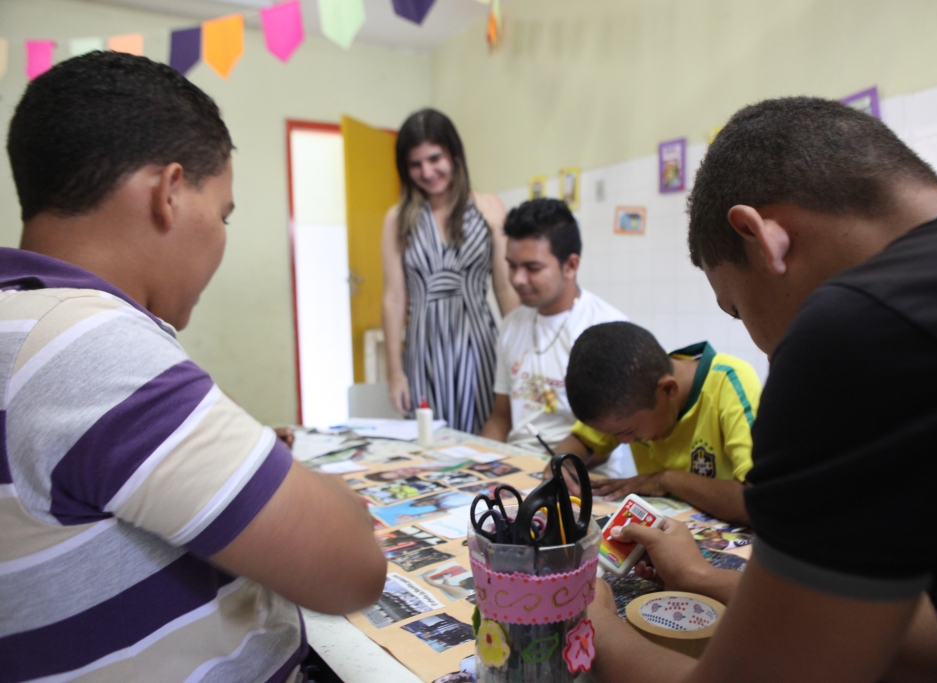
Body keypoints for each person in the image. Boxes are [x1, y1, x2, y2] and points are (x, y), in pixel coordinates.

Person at [592, 97, 937, 683]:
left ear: (760, 236)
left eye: (736, 309)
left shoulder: (855, 333)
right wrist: (704, 578)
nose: (765, 350)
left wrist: (598, 631)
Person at [0, 52, 386, 682]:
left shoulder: (23, 322)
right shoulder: (84, 344)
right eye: (225, 212)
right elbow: (354, 568)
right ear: (170, 192)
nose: (223, 234)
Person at [382, 109, 518, 433]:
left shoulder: (489, 207)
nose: (427, 172)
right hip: (423, 350)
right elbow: (394, 298)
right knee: (429, 448)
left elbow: (504, 287)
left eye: (435, 158)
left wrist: (519, 356)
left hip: (481, 347)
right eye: (415, 164)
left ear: (454, 154)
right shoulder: (398, 218)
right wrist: (395, 373)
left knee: (487, 444)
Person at [553, 322, 760, 525]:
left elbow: (759, 503)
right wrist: (561, 464)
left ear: (669, 389)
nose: (623, 442)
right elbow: (580, 441)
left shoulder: (728, 383)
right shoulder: (628, 387)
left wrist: (665, 480)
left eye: (630, 432)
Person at [480, 198, 627, 451]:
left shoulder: (608, 329)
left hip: (585, 472)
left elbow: (609, 434)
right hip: (518, 464)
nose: (517, 279)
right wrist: (478, 465)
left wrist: (555, 469)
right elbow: (500, 417)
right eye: (512, 266)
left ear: (570, 266)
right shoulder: (512, 324)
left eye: (532, 268)